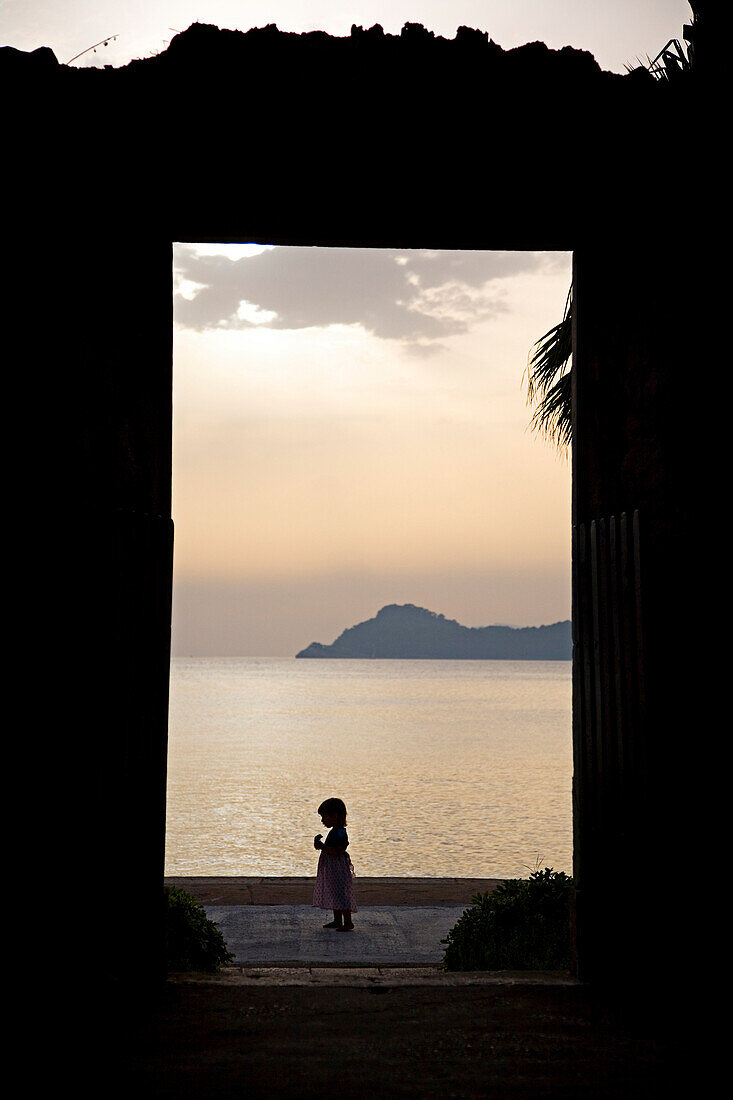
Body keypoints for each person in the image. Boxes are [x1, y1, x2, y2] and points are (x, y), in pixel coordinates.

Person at [313, 797, 357, 931]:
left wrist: (322, 847)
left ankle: (348, 922)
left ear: (334, 816)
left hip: (337, 868)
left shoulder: (340, 833)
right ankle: (338, 920)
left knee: (341, 894)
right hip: (332, 868)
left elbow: (337, 851)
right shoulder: (335, 832)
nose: (322, 821)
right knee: (334, 892)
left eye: (324, 817)